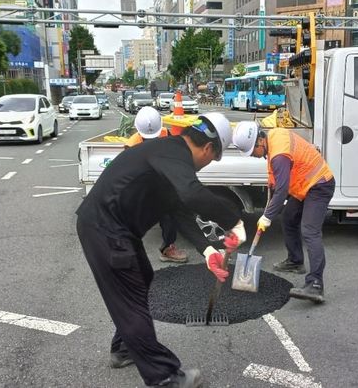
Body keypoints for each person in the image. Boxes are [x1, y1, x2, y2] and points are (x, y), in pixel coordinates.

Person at [76, 112, 247, 387]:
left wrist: (208, 252)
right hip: (105, 229)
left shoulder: (169, 154)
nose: (205, 166)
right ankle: (164, 376)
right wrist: (234, 221)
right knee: (131, 299)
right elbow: (192, 193)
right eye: (212, 159)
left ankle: (124, 349)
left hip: (116, 229)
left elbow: (180, 210)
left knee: (142, 280)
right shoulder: (173, 153)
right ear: (208, 149)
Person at [232, 121, 335, 304]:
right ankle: (295, 261)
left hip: (319, 185)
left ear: (259, 142)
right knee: (288, 218)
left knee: (310, 231)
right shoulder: (273, 139)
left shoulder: (278, 154)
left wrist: (267, 217)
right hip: (304, 187)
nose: (254, 157)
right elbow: (275, 187)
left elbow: (282, 190)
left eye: (252, 152)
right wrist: (269, 209)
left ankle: (316, 285)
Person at [125, 107, 187, 263]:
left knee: (169, 215)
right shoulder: (132, 144)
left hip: (162, 182)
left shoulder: (167, 135)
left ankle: (167, 249)